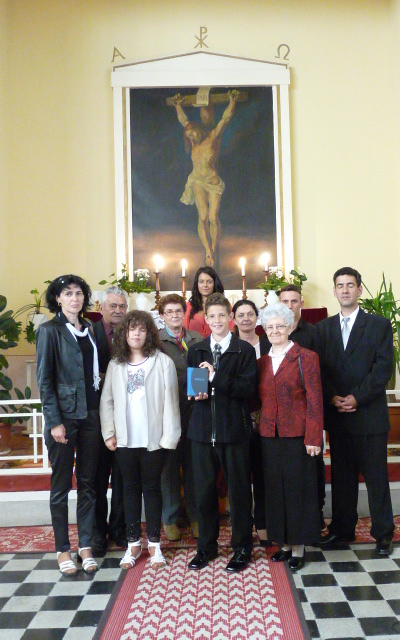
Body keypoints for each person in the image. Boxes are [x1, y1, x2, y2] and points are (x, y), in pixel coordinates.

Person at [314, 267, 395, 556]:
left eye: (350, 285)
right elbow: (318, 369)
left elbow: (382, 368)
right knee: (342, 478)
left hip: (369, 415)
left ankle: (383, 534)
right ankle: (342, 529)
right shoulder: (323, 328)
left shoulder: (378, 325)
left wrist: (357, 398)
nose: (345, 290)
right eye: (340, 285)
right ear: (334, 291)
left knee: (376, 478)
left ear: (360, 289)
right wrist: (332, 396)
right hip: (339, 416)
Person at [100, 311, 181, 569]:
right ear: (124, 333)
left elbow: (171, 402)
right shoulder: (116, 364)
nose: (136, 334)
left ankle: (155, 544)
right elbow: (107, 401)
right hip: (124, 440)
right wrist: (109, 433)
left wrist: (169, 437)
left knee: (153, 489)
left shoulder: (162, 362)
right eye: (131, 329)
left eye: (142, 329)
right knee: (130, 490)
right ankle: (133, 543)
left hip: (153, 440)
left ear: (149, 334)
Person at [186, 293, 257, 573]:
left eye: (221, 315)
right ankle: (206, 547)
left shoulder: (244, 350)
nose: (217, 320)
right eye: (211, 316)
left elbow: (246, 389)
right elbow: (193, 387)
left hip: (234, 431)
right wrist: (195, 393)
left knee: (239, 493)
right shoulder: (197, 350)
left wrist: (215, 377)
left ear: (230, 318)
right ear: (206, 318)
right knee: (203, 493)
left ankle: (242, 548)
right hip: (202, 432)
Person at [36, 274, 101, 577]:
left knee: (88, 484)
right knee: (61, 485)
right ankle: (62, 548)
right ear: (57, 299)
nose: (75, 298)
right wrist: (54, 422)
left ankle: (85, 545)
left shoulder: (89, 329)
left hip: (91, 415)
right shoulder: (49, 330)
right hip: (64, 417)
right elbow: (45, 381)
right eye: (68, 293)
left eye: (79, 293)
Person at [257, 303, 323, 572]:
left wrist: (314, 437)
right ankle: (283, 544)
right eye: (270, 327)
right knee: (275, 490)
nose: (275, 331)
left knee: (297, 491)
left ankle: (298, 547)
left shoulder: (305, 357)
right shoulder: (262, 361)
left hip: (298, 435)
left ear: (289, 327)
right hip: (268, 435)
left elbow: (315, 399)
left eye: (280, 326)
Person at [173, 90, 240, 267]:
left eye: (192, 134)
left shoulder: (213, 138)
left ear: (197, 128)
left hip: (212, 181)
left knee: (213, 217)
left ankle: (214, 247)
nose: (191, 137)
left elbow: (225, 118)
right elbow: (183, 120)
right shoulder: (193, 142)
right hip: (197, 180)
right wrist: (178, 106)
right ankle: (208, 251)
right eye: (189, 136)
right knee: (202, 216)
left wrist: (232, 101)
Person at [158, 293, 202, 541]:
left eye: (178, 311)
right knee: (169, 469)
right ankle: (170, 518)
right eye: (170, 312)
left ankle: (196, 517)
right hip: (168, 413)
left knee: (195, 467)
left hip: (194, 411)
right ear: (162, 315)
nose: (175, 315)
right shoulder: (156, 341)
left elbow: (202, 370)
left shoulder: (197, 338)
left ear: (184, 314)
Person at [92, 286, 128, 555]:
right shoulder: (89, 333)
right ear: (101, 307)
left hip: (127, 416)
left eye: (122, 306)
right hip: (96, 416)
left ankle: (119, 528)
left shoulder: (133, 334)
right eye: (112, 306)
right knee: (97, 477)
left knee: (123, 478)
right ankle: (97, 533)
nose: (117, 310)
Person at [232, 299, 270, 547]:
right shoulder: (229, 345)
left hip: (267, 416)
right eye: (241, 314)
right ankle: (243, 527)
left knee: (264, 474)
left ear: (257, 317)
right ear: (233, 319)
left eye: (250, 314)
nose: (246, 318)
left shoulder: (269, 342)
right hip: (238, 417)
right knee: (241, 476)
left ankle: (264, 523)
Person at [183, 266, 234, 338]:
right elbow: (183, 332)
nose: (205, 285)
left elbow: (231, 331)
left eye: (209, 282)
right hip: (192, 344)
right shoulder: (188, 306)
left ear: (214, 284)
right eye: (201, 282)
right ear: (197, 284)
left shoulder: (224, 305)